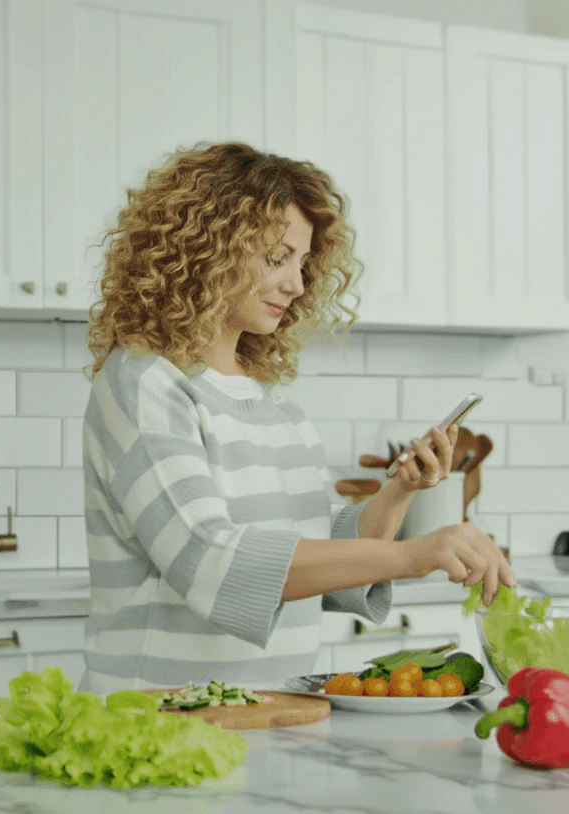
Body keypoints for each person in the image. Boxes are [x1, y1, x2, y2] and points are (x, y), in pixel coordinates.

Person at [78, 141, 515, 694]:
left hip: (269, 713)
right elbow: (211, 561)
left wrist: (395, 495)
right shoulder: (145, 382)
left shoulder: (273, 408)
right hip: (154, 719)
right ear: (208, 248)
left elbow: (314, 561)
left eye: (304, 263)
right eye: (276, 257)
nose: (298, 285)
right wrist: (409, 555)